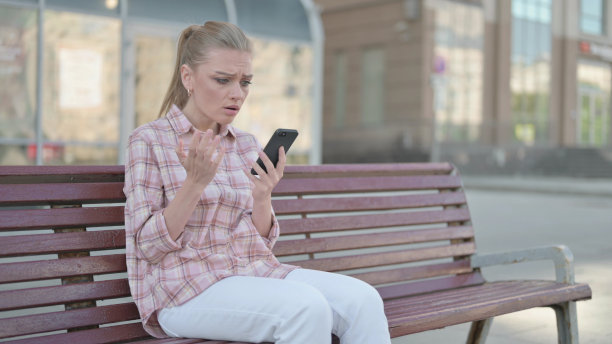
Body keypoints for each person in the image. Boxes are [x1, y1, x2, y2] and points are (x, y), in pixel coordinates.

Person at [123, 21, 391, 344]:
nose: (237, 94)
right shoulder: (149, 141)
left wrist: (263, 197)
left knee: (364, 301)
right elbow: (147, 247)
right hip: (184, 291)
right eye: (222, 80)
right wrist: (193, 185)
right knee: (305, 309)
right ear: (188, 77)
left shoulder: (245, 144)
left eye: (245, 82)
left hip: (253, 274)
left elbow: (260, 246)